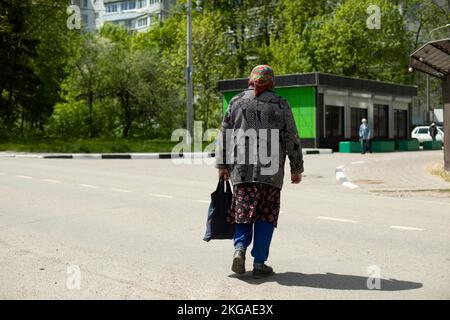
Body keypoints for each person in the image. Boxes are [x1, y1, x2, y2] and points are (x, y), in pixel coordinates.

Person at [215, 65, 303, 279]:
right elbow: (291, 136)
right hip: (270, 172)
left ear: (251, 80)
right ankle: (260, 263)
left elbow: (224, 133)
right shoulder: (280, 104)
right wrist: (296, 167)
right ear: (272, 82)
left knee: (243, 212)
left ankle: (239, 249)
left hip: (242, 170)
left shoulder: (236, 102)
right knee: (266, 214)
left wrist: (222, 165)